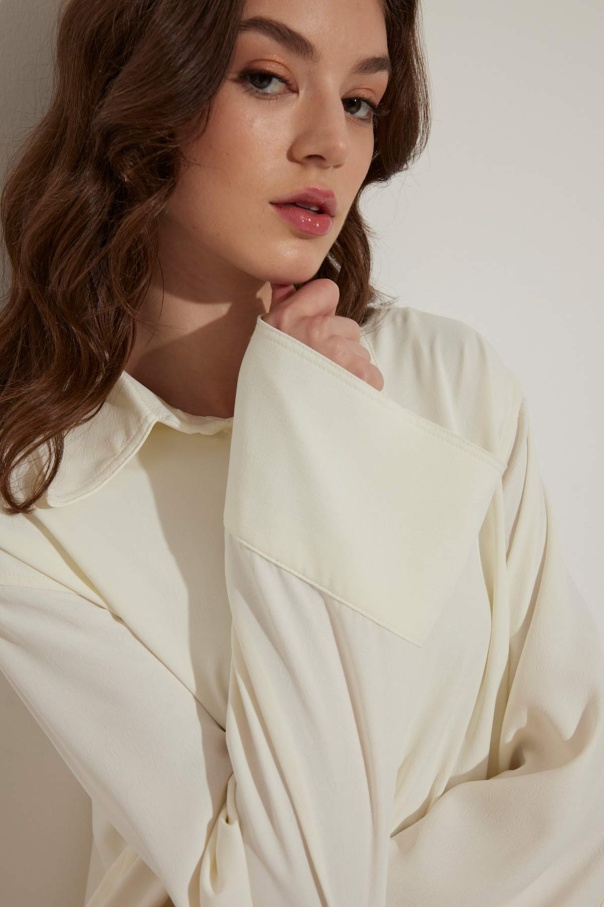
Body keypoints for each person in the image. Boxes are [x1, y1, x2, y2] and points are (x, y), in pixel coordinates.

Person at [0, 0, 603, 904]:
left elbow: (585, 791)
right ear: (145, 92)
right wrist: (298, 440)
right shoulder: (36, 513)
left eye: (361, 101)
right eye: (268, 78)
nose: (331, 143)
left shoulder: (450, 383)